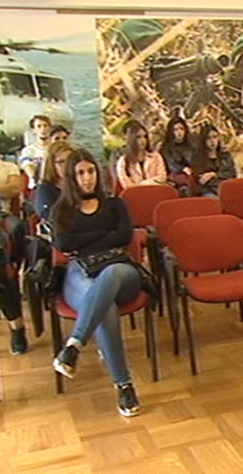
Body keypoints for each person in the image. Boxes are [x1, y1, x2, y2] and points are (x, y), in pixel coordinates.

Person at [50, 149, 143, 417]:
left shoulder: (115, 204)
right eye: (80, 173)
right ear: (71, 177)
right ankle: (123, 385)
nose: (87, 178)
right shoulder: (62, 209)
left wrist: (86, 240)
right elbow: (62, 244)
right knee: (106, 307)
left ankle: (74, 345)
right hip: (80, 274)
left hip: (121, 271)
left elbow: (124, 236)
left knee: (111, 276)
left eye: (90, 171)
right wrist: (106, 234)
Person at [0, 155, 27, 355]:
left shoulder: (8, 166)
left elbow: (13, 189)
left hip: (3, 217)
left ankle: (16, 326)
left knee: (17, 227)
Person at [116, 120, 168, 190]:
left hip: (156, 191)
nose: (143, 140)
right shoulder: (123, 161)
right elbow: (127, 186)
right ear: (132, 139)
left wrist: (145, 183)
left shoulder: (156, 156)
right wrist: (145, 185)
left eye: (145, 137)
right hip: (135, 196)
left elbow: (162, 177)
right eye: (138, 137)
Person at [192, 124, 237, 197]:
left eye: (215, 137)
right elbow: (202, 180)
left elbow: (232, 174)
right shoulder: (198, 158)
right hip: (208, 191)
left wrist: (214, 175)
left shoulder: (225, 155)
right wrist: (221, 177)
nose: (212, 141)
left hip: (226, 189)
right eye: (208, 138)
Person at [34, 141, 74, 221]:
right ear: (52, 165)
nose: (67, 165)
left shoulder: (80, 184)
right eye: (61, 162)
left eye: (70, 160)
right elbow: (47, 215)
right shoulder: (45, 189)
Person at [160, 117, 194, 196]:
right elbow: (171, 165)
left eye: (181, 129)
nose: (179, 132)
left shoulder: (192, 145)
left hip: (192, 176)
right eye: (176, 130)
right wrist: (183, 169)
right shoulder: (166, 148)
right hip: (175, 178)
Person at [19, 114, 53, 189]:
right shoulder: (28, 151)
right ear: (33, 130)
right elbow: (28, 167)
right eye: (39, 126)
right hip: (36, 187)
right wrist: (37, 178)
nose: (43, 129)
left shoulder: (55, 149)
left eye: (45, 126)